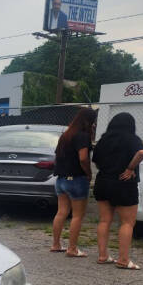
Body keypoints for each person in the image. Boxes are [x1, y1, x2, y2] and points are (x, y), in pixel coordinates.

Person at [92, 112, 143, 270]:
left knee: (104, 220)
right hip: (124, 184)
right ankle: (123, 260)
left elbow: (95, 160)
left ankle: (103, 256)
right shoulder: (132, 138)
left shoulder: (103, 140)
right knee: (127, 222)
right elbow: (142, 152)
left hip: (103, 182)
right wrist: (130, 168)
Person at [51, 107, 97, 257]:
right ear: (88, 121)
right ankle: (72, 249)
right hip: (76, 179)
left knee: (61, 212)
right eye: (93, 121)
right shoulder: (82, 136)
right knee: (77, 215)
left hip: (61, 180)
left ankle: (56, 244)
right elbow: (83, 158)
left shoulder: (65, 135)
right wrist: (88, 173)